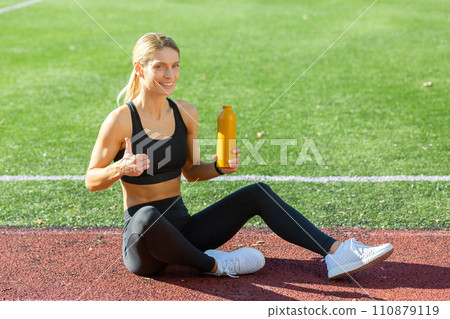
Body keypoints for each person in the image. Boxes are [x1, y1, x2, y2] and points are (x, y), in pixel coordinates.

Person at [85, 33, 393, 279]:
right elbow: (91, 180)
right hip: (144, 246)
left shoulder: (186, 112)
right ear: (140, 68)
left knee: (257, 192)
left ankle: (336, 253)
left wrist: (219, 167)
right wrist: (120, 167)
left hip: (185, 229)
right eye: (160, 66)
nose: (170, 74)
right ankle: (215, 266)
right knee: (147, 215)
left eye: (175, 65)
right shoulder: (120, 120)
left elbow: (191, 172)